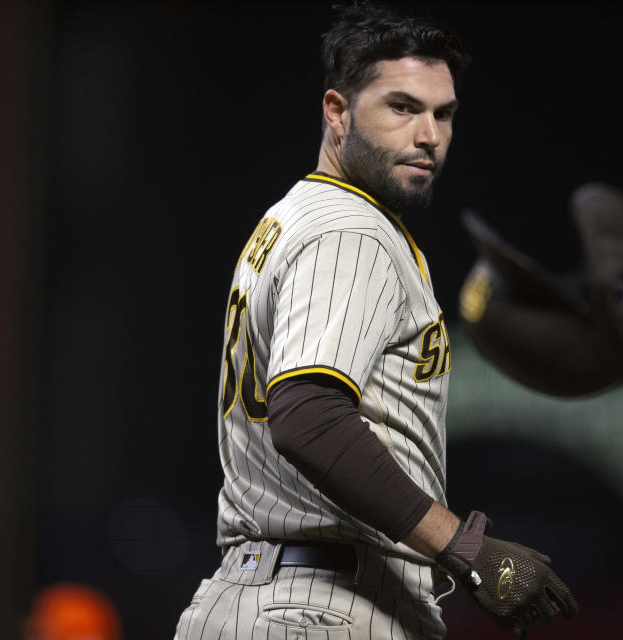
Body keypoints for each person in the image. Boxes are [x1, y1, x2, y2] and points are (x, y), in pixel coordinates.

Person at [174, 3, 578, 638]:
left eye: (442, 113)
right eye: (401, 107)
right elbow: (308, 415)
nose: (429, 135)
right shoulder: (350, 230)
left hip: (280, 592)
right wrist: (465, 549)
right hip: (318, 604)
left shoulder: (298, 216)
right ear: (337, 111)